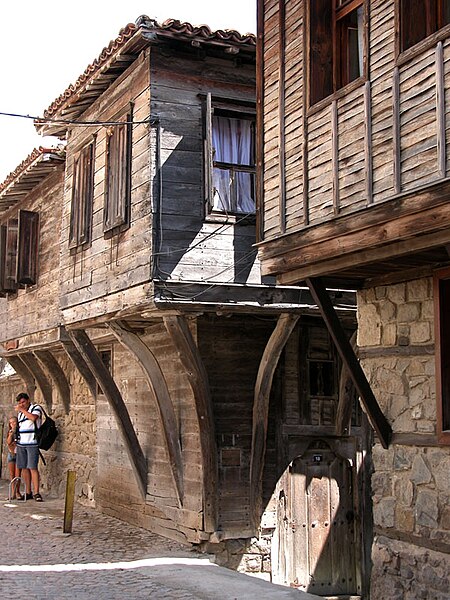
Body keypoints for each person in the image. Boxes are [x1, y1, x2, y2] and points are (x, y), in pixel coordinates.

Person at [15, 392, 43, 501]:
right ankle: (28, 491)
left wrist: (22, 410)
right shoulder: (21, 414)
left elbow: (33, 418)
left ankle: (36, 492)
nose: (21, 404)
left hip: (32, 443)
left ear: (28, 400)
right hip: (22, 443)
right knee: (25, 468)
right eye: (20, 403)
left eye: (23, 402)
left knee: (33, 467)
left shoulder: (35, 408)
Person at [6, 416, 21, 499]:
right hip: (11, 454)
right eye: (11, 423)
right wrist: (11, 434)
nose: (13, 424)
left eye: (14, 422)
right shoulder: (10, 432)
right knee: (12, 474)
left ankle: (18, 491)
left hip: (18, 454)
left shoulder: (20, 432)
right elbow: (8, 442)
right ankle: (13, 493)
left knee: (17, 474)